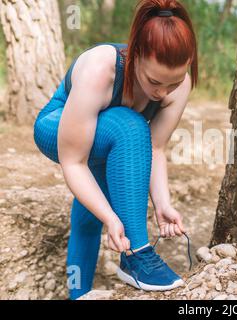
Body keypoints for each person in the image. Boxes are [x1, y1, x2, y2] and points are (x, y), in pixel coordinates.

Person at [33, 0, 198, 300]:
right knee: (130, 125)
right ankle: (136, 253)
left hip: (106, 138)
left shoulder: (179, 83)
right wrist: (112, 217)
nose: (162, 93)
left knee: (88, 216)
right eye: (154, 81)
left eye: (172, 83)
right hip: (56, 126)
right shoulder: (101, 68)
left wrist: (163, 203)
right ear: (135, 55)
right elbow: (74, 161)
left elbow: (156, 148)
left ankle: (78, 295)